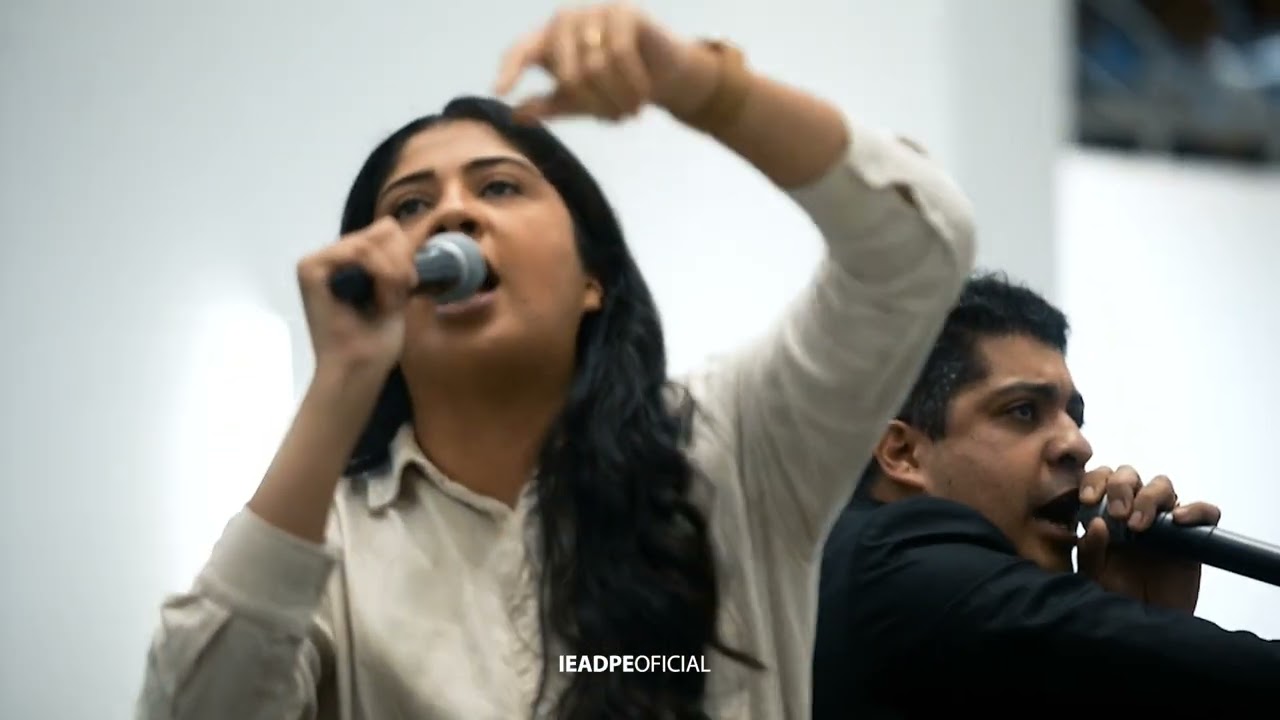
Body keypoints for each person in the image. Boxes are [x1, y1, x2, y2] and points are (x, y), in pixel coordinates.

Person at [135, 4, 976, 720]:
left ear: (592, 281)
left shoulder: (734, 447)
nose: (453, 215)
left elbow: (918, 245)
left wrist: (698, 84)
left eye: (499, 187)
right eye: (412, 206)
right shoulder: (330, 545)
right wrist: (339, 382)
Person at [811, 272, 1280, 718]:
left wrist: (1139, 639)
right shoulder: (893, 559)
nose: (1078, 444)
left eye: (1074, 416)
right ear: (904, 453)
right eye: (1023, 411)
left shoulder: (945, 647)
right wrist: (1142, 642)